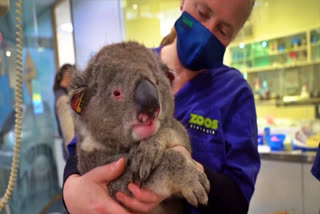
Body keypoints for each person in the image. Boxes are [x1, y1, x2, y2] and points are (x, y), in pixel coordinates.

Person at [62, 0, 260, 213]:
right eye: (202, 13)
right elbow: (82, 146)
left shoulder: (234, 92)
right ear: (183, 2)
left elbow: (238, 201)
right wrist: (71, 189)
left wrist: (182, 164)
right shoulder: (125, 60)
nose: (207, 32)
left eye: (223, 30)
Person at [53, 64, 76, 150]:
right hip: (73, 151)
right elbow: (69, 134)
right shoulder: (63, 99)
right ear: (67, 76)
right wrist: (73, 157)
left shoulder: (61, 95)